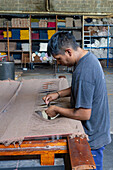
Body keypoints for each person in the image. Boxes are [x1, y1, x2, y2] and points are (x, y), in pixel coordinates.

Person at [43, 31, 111, 170]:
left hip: (92, 137)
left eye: (59, 59)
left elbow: (84, 114)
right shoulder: (87, 59)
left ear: (68, 51)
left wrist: (56, 109)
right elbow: (79, 87)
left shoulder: (84, 71)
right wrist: (58, 94)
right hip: (97, 129)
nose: (59, 63)